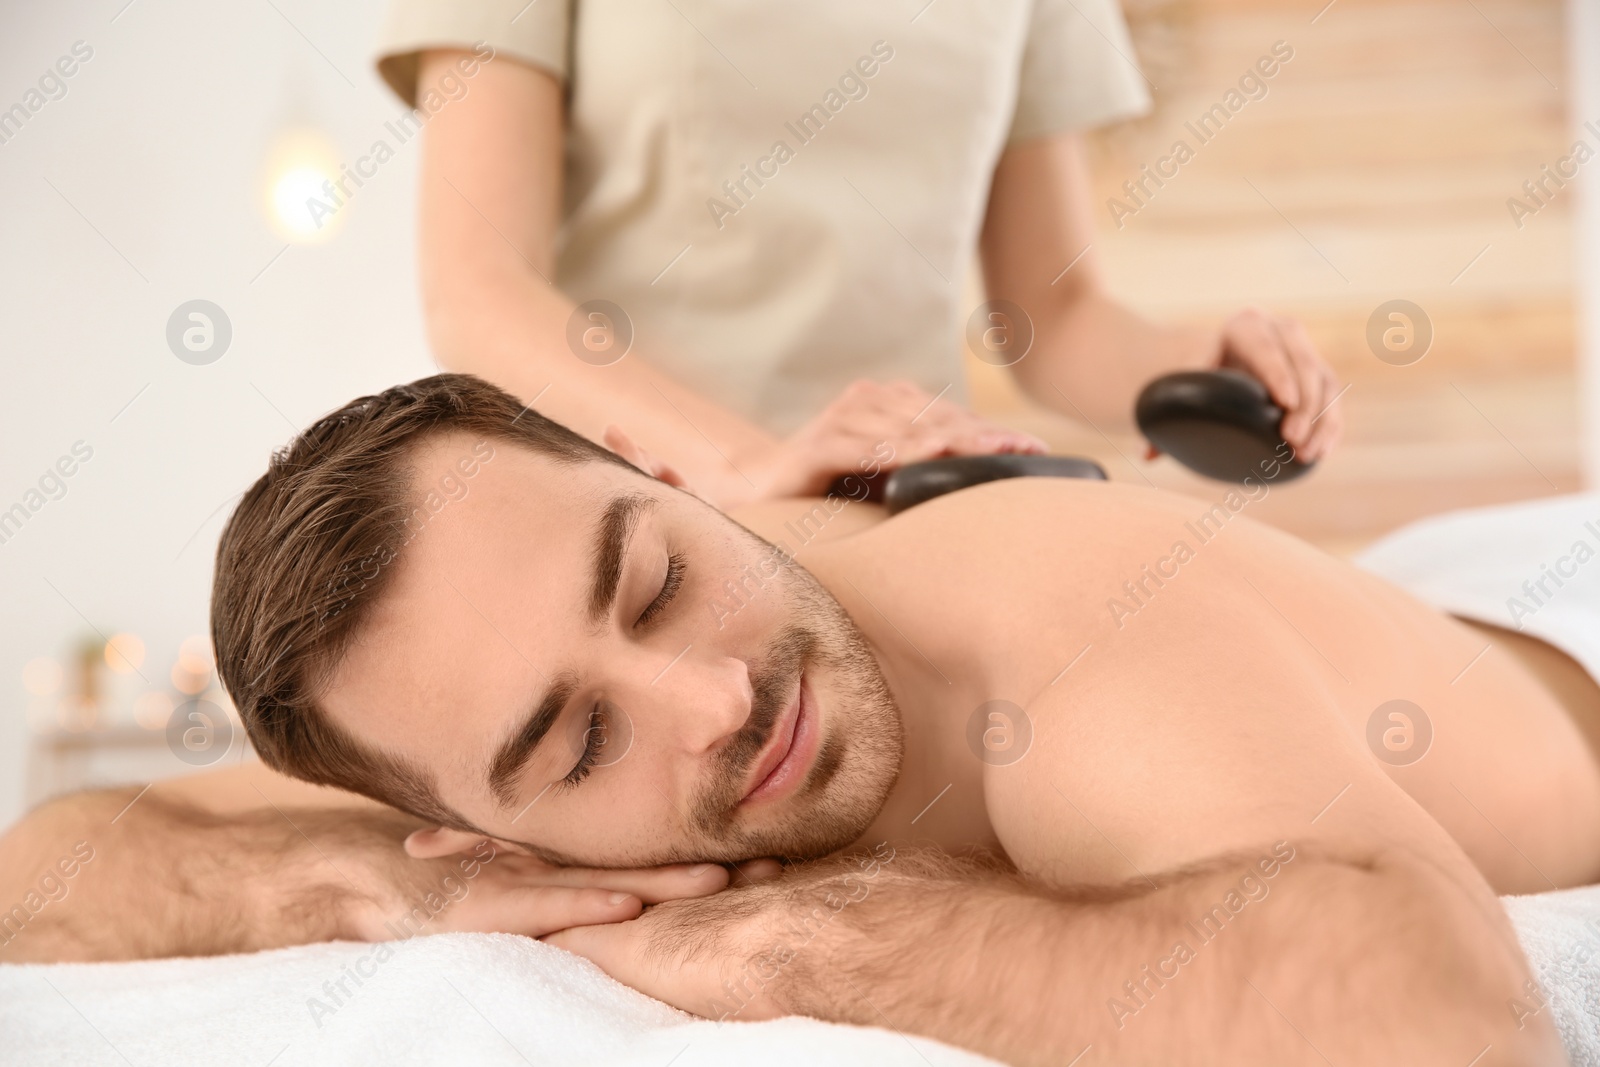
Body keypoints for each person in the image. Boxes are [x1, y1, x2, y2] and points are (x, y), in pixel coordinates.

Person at [1, 374, 1585, 1065]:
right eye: (576, 744)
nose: (711, 702)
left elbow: (1445, 1019)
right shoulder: (455, 721)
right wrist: (372, 887)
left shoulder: (1053, 609)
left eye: (658, 572)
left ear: (675, 478)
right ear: (483, 823)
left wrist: (799, 947)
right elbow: (47, 867)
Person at [373, 0, 1344, 508]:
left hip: (904, 500)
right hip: (627, 508)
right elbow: (478, 289)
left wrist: (1192, 363)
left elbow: (1052, 319)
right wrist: (752, 467)